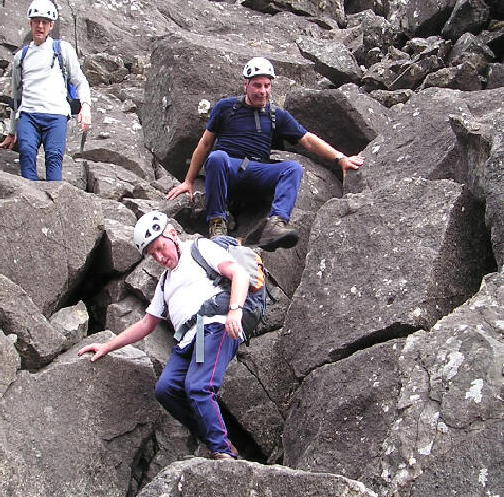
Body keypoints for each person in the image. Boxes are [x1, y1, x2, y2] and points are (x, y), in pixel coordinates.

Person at [78, 211, 248, 460]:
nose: (159, 257)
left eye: (159, 248)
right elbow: (147, 323)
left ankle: (222, 451)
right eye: (152, 254)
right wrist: (107, 346)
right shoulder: (165, 282)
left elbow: (239, 274)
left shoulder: (199, 248)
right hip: (190, 339)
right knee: (166, 389)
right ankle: (218, 440)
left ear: (171, 233)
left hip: (212, 326)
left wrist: (235, 311)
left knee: (198, 386)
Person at [166, 57, 364, 249]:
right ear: (246, 85)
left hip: (256, 172)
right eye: (257, 85)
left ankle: (275, 224)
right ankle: (217, 224)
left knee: (293, 168)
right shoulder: (225, 108)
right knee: (217, 157)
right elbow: (205, 143)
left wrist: (340, 158)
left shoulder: (276, 115)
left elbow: (308, 141)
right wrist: (188, 181)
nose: (263, 91)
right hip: (228, 169)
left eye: (267, 86)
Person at [0, 0, 92, 181]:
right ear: (30, 23)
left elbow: (80, 80)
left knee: (54, 157)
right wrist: (11, 132)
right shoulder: (20, 57)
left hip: (56, 115)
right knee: (26, 152)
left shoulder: (63, 50)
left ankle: (54, 203)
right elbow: (16, 98)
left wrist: (85, 107)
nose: (40, 26)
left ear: (51, 25)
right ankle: (31, 202)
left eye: (45, 22)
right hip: (29, 114)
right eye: (36, 21)